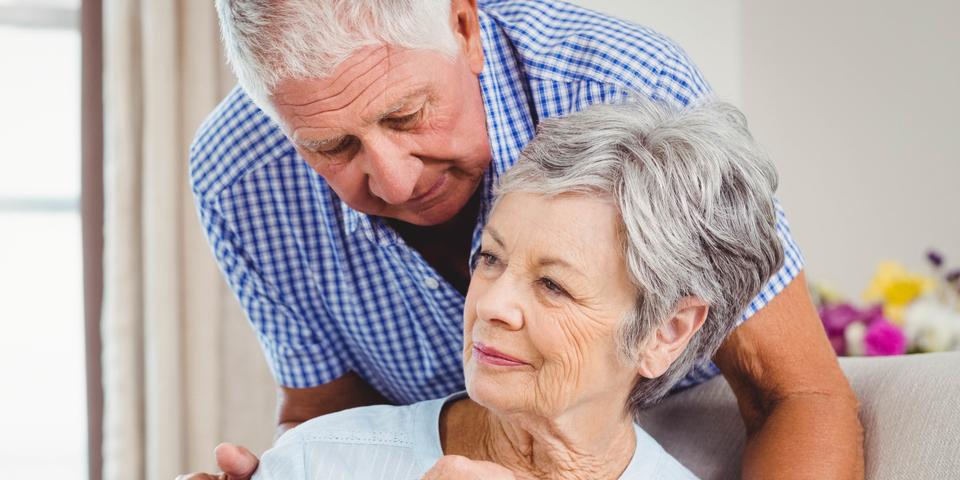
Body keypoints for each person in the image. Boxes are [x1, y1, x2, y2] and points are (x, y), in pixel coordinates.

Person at [181, 0, 862, 478]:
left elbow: (794, 393)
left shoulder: (624, 90)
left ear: (463, 24)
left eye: (408, 114)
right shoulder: (239, 175)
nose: (391, 182)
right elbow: (327, 418)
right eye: (331, 146)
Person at [251, 98, 784, 480]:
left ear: (665, 333)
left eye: (553, 284)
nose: (491, 304)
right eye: (490, 258)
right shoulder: (316, 461)